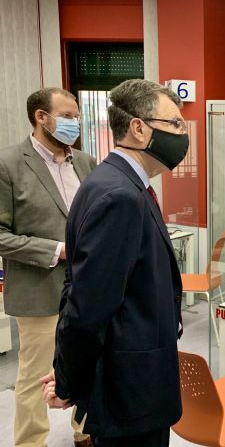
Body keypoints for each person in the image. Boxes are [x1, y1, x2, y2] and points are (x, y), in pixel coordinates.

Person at [40, 79, 187, 447]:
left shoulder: (114, 182)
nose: (182, 134)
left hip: (134, 378)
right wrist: (68, 378)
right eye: (175, 123)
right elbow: (88, 306)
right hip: (130, 391)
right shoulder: (119, 196)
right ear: (139, 128)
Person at [0, 87, 95, 447]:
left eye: (77, 116)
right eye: (67, 116)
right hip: (38, 290)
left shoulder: (86, 163)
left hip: (87, 288)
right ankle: (30, 442)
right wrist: (56, 250)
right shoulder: (8, 164)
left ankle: (85, 430)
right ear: (41, 117)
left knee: (89, 362)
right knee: (36, 375)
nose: (75, 123)